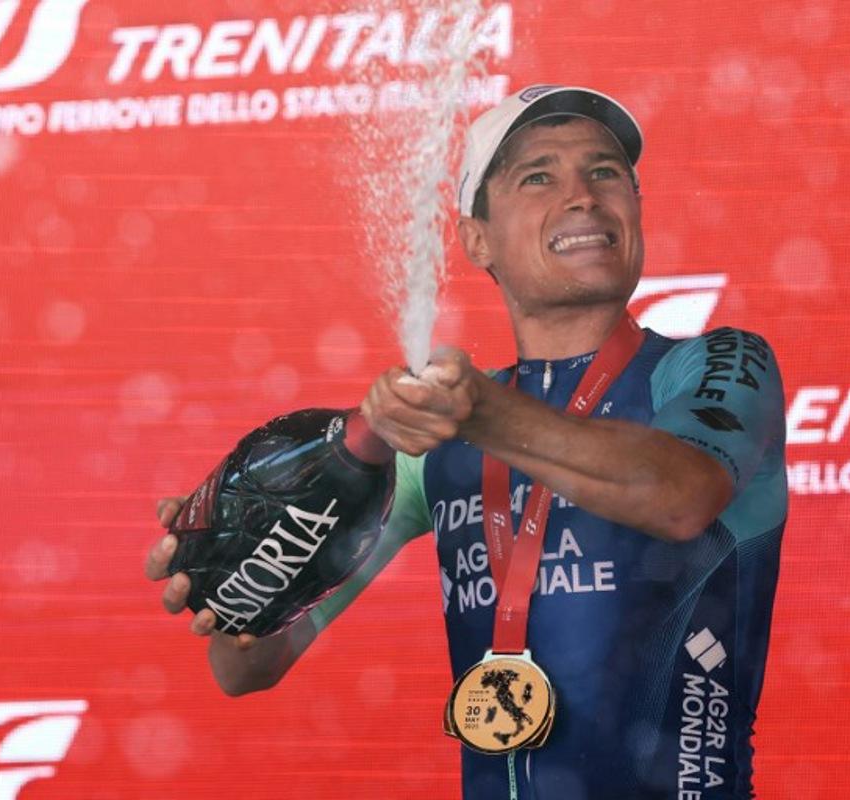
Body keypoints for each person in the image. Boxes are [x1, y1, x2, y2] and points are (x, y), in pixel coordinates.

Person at [145, 84, 788, 799]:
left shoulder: (714, 364)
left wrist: (481, 413)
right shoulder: (439, 438)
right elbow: (248, 671)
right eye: (538, 175)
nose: (581, 196)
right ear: (476, 237)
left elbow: (681, 495)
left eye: (604, 171)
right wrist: (240, 582)